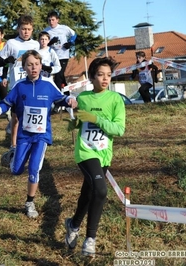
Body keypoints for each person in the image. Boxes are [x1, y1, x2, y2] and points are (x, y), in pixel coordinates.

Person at [0, 50, 78, 218]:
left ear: (41, 66)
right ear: (24, 68)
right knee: (16, 171)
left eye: (36, 64)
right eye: (29, 65)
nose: (33, 68)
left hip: (42, 136)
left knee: (34, 168)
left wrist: (70, 100)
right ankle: (13, 154)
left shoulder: (48, 85)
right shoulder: (20, 86)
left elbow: (61, 99)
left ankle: (30, 202)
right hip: (24, 136)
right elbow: (6, 103)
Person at [65, 57, 126, 257]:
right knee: (100, 190)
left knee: (88, 193)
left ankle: (73, 225)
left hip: (103, 154)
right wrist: (73, 118)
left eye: (108, 75)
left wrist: (96, 119)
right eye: (100, 75)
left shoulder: (116, 99)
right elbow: (73, 126)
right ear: (92, 77)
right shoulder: (83, 98)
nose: (105, 79)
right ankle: (90, 238)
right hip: (85, 151)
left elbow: (119, 130)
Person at [0, 14, 40, 152]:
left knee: (33, 114)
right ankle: (13, 145)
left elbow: (38, 63)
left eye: (28, 29)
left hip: (32, 84)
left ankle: (34, 142)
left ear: (32, 29)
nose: (26, 32)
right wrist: (7, 60)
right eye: (23, 29)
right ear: (18, 29)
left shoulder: (35, 44)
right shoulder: (11, 43)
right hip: (17, 85)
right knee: (16, 117)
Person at [44, 10, 77, 94]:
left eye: (53, 20)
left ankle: (57, 99)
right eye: (49, 20)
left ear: (57, 20)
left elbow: (74, 34)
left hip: (63, 56)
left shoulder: (64, 28)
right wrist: (51, 42)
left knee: (58, 76)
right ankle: (67, 96)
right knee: (60, 76)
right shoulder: (46, 31)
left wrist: (70, 43)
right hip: (53, 57)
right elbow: (43, 44)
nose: (51, 22)